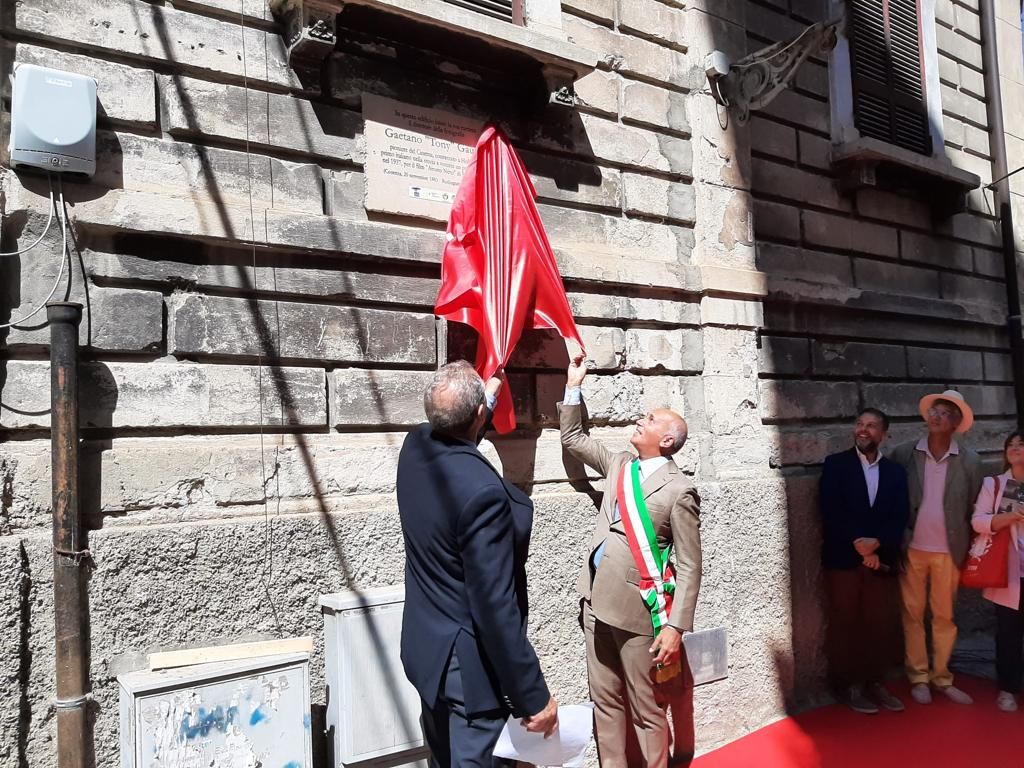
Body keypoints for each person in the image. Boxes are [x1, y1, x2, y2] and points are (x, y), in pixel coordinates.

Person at [397, 361, 558, 767]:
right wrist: (533, 696)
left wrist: (486, 397)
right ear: (479, 417)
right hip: (469, 676)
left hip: (427, 651)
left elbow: (456, 433)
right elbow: (494, 607)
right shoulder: (483, 496)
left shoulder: (414, 447)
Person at [558, 353, 700, 767]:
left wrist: (676, 627)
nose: (642, 419)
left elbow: (691, 565)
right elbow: (574, 440)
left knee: (646, 708)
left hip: (640, 612)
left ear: (668, 440)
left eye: (652, 419)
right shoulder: (620, 464)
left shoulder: (679, 490)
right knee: (604, 702)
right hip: (595, 601)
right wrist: (573, 385)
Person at [888, 390, 983, 705]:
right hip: (912, 546)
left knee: (944, 617)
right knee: (912, 614)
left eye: (945, 413)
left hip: (949, 550)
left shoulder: (970, 461)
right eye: (934, 411)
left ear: (956, 423)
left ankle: (942, 677)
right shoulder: (904, 453)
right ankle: (918, 676)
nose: (937, 416)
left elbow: (973, 506)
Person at [819, 408, 910, 714]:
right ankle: (847, 686)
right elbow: (831, 511)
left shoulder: (896, 472)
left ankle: (875, 683)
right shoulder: (836, 465)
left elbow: (899, 516)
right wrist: (860, 547)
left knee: (879, 625)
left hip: (881, 563)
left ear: (884, 434)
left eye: (871, 426)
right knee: (845, 623)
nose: (863, 429)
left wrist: (878, 545)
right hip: (844, 559)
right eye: (860, 424)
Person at [970, 431, 1024, 712]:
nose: (1015, 448)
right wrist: (1009, 517)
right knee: (1008, 631)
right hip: (1009, 569)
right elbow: (978, 521)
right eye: (1010, 445)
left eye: (1021, 444)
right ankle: (1008, 688)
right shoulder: (996, 484)